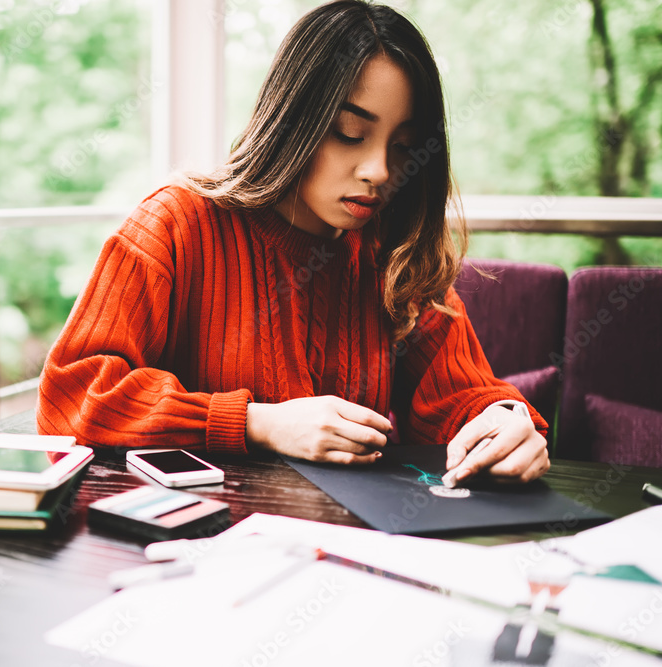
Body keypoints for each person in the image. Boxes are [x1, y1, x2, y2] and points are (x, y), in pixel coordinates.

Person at [37, 0, 550, 486]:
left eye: (403, 146)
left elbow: (462, 396)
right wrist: (257, 423)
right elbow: (73, 396)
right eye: (350, 133)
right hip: (201, 536)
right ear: (291, 121)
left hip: (350, 538)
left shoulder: (395, 249)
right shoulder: (176, 224)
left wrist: (504, 421)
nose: (379, 171)